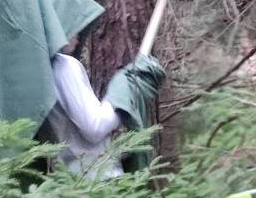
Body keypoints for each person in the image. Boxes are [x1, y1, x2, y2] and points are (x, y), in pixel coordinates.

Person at [40, 33, 166, 177]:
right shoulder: (63, 66)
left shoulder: (37, 72)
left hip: (66, 183)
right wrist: (123, 93)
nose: (79, 33)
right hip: (98, 183)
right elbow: (95, 127)